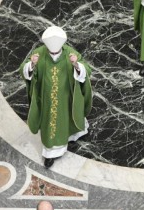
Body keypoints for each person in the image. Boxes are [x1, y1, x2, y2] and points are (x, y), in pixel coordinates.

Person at [21, 26, 93, 168]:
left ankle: (74, 135)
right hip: (47, 97)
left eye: (56, 51)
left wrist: (77, 65)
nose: (53, 53)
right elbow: (23, 69)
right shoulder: (39, 53)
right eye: (51, 51)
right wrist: (31, 65)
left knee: (70, 115)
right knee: (52, 123)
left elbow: (87, 69)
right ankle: (51, 153)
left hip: (68, 95)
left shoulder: (70, 53)